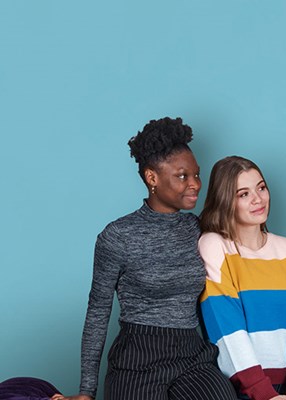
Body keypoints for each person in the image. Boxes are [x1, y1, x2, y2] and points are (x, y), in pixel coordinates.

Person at [52, 117, 239, 400]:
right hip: (136, 359)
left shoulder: (197, 229)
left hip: (192, 355)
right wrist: (86, 391)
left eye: (197, 175)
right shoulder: (118, 236)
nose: (195, 184)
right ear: (152, 178)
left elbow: (244, 253)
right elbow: (98, 312)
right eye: (182, 176)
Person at [198, 156, 286, 400]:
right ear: (225, 200)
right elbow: (227, 331)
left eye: (261, 188)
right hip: (237, 392)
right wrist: (263, 393)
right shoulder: (215, 246)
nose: (258, 199)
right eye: (243, 194)